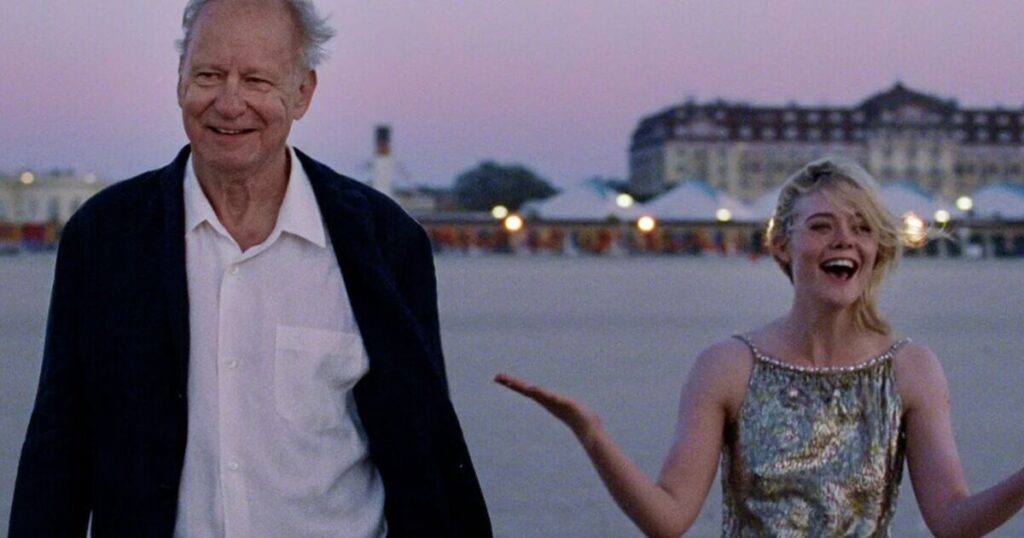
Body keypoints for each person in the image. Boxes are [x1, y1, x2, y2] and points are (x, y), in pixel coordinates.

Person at [10, 0, 491, 536]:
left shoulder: (386, 242)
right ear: (179, 82)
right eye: (209, 75)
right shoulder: (104, 237)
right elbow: (58, 449)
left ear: (303, 92)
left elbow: (427, 452)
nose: (229, 103)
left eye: (257, 80)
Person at [496, 158, 1024, 537]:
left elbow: (953, 520)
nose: (844, 239)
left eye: (861, 228)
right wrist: (591, 434)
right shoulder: (728, 366)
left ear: (876, 249)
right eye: (821, 226)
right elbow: (668, 517)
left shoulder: (911, 369)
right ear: (781, 245)